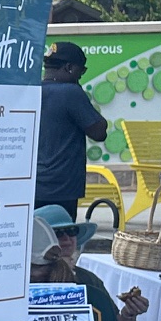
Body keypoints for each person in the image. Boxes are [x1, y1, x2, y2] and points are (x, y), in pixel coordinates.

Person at [36, 41, 109, 217]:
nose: (80, 76)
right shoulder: (70, 92)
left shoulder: (33, 89)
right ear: (69, 67)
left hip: (34, 185)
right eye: (81, 71)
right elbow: (99, 132)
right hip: (61, 186)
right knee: (63, 240)